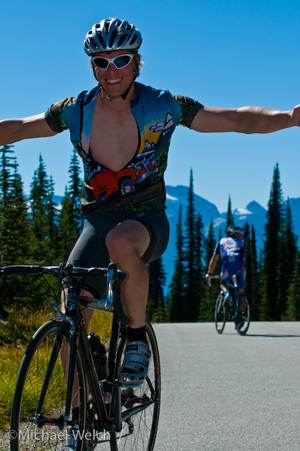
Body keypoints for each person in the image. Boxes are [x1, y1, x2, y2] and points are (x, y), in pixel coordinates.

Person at [0, 16, 300, 434]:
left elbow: (237, 119)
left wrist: (291, 116)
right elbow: (17, 129)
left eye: (121, 59)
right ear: (91, 67)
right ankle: (82, 412)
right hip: (96, 224)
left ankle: (136, 338)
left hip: (146, 221)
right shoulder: (75, 111)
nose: (112, 70)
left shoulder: (164, 105)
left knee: (122, 240)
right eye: (101, 62)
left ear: (137, 62)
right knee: (71, 313)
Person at [205, 225, 246, 322]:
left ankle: (227, 294)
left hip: (227, 264)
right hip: (240, 266)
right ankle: (240, 317)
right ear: (235, 234)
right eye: (239, 235)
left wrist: (209, 273)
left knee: (222, 282)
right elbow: (243, 261)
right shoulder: (242, 244)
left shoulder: (221, 242)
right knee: (241, 291)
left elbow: (214, 260)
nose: (240, 237)